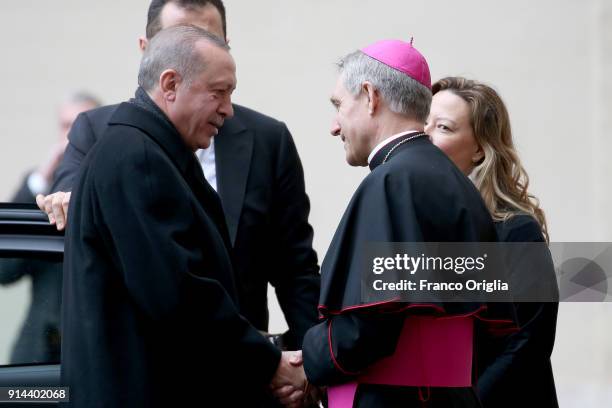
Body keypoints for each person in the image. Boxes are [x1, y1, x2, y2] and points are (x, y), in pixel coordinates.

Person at [39, 0, 319, 357]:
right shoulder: (108, 136)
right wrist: (68, 197)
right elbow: (74, 197)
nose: (194, 48)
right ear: (148, 51)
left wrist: (311, 366)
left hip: (245, 376)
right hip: (139, 371)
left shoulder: (268, 139)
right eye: (180, 38)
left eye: (207, 39)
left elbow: (296, 269)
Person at [291, 40, 517, 407]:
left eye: (338, 106)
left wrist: (306, 361)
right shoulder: (459, 184)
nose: (335, 126)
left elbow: (369, 326)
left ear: (369, 96)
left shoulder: (391, 182)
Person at [426, 76, 558, 407]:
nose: (424, 136)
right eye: (422, 122)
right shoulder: (419, 223)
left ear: (481, 151)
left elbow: (529, 344)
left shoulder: (516, 230)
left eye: (442, 127)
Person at [0, 93, 99, 365]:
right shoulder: (40, 187)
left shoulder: (110, 189)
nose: (71, 136)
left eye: (79, 126)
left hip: (92, 350)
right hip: (39, 348)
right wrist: (40, 179)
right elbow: (4, 271)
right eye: (66, 126)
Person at [12, 93, 100, 203]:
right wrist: (44, 175)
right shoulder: (44, 176)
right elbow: (14, 215)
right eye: (66, 125)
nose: (72, 133)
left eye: (80, 125)